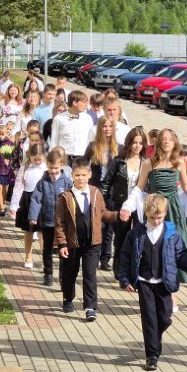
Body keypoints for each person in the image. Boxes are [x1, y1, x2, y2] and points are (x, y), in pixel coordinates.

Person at [118, 194, 187, 371]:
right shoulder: (136, 234)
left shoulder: (172, 234)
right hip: (144, 282)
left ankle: (155, 335)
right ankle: (152, 356)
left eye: (159, 217)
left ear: (165, 213)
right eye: (152, 218)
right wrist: (125, 280)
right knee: (149, 319)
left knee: (164, 317)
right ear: (146, 214)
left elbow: (180, 255)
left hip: (164, 282)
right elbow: (125, 256)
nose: (156, 221)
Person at [54, 159, 122, 321]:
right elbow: (59, 222)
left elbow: (103, 213)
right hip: (72, 243)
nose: (80, 178)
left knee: (90, 274)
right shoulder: (65, 197)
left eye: (84, 175)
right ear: (72, 175)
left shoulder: (95, 193)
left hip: (92, 243)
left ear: (90, 175)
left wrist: (118, 215)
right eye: (77, 175)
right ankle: (68, 298)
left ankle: (90, 307)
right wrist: (62, 244)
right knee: (70, 273)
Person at [136, 128, 187, 288]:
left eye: (170, 139)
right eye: (164, 138)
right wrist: (131, 205)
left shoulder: (179, 162)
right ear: (159, 142)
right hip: (155, 208)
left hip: (173, 209)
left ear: (175, 143)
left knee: (176, 244)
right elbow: (139, 187)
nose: (167, 141)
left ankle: (173, 284)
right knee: (155, 246)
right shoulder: (149, 163)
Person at [103, 126, 150, 278]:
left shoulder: (146, 162)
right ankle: (119, 269)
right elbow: (106, 183)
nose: (137, 146)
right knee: (121, 238)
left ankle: (134, 269)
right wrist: (104, 204)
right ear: (129, 143)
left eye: (140, 143)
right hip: (120, 204)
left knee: (138, 238)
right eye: (134, 142)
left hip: (139, 205)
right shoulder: (119, 161)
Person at [29, 147, 73, 287]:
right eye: (50, 168)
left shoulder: (67, 182)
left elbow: (73, 200)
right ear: (47, 166)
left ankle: (63, 277)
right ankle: (48, 274)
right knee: (47, 248)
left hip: (62, 224)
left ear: (61, 165)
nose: (53, 171)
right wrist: (33, 216)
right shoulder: (43, 182)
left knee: (63, 250)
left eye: (56, 168)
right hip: (47, 221)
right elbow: (36, 199)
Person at [84, 116, 119, 271]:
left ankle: (105, 259)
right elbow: (83, 164)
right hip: (95, 189)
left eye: (110, 126)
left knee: (109, 227)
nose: (107, 129)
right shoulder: (93, 146)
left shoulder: (118, 148)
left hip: (111, 192)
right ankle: (94, 255)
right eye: (104, 126)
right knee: (96, 224)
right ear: (99, 128)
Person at [10, 143, 47, 268]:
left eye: (40, 159)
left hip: (43, 201)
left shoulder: (46, 168)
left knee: (43, 231)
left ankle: (45, 257)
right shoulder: (24, 168)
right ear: (29, 156)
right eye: (35, 159)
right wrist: (14, 205)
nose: (37, 162)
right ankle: (28, 256)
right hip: (28, 200)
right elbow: (18, 187)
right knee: (29, 230)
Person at [49, 89, 94, 165]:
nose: (86, 105)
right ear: (75, 103)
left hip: (82, 158)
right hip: (65, 158)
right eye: (83, 102)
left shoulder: (88, 118)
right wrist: (53, 160)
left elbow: (91, 139)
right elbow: (54, 141)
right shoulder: (59, 119)